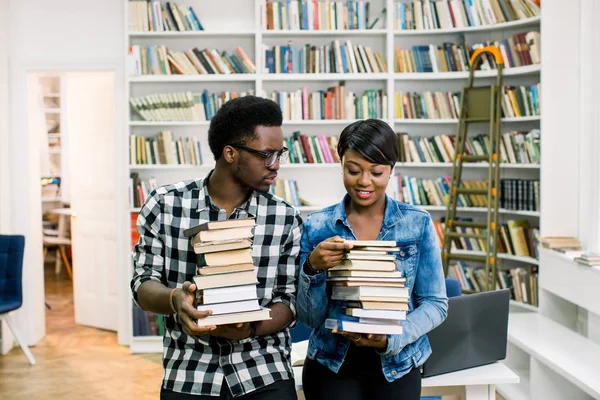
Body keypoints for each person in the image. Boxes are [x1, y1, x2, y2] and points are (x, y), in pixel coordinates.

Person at [131, 96, 303, 400]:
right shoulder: (166, 205)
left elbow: (290, 302)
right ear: (230, 153)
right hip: (189, 371)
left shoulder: (285, 217)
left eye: (280, 153)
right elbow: (143, 285)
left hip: (264, 370)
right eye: (266, 154)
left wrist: (250, 329)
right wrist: (175, 300)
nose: (275, 165)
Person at [296, 119, 448, 400]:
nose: (364, 182)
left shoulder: (417, 223)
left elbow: (436, 304)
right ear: (341, 164)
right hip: (331, 363)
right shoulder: (318, 226)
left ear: (391, 170)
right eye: (353, 170)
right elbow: (309, 318)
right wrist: (312, 267)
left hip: (398, 363)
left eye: (376, 172)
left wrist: (393, 338)